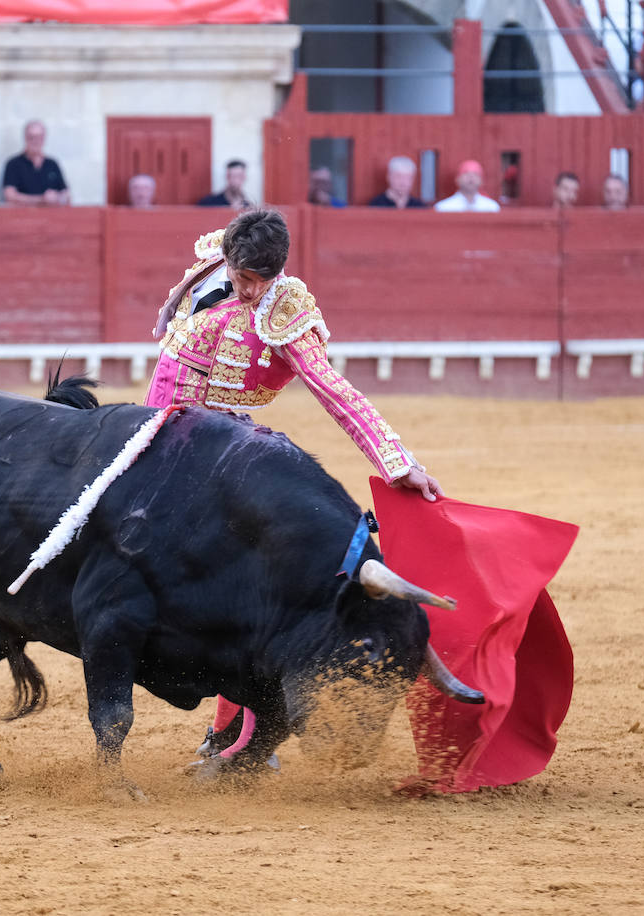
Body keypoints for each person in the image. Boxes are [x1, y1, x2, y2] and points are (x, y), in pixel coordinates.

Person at [146, 209, 442, 769]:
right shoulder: (216, 260)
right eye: (242, 279)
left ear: (278, 271)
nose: (250, 292)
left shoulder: (287, 315)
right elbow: (170, 326)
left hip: (227, 452)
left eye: (261, 281)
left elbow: (335, 392)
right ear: (229, 261)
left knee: (247, 592)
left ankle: (243, 739)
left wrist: (397, 462)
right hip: (160, 435)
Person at [2, 120, 70, 207]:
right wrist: (41, 199)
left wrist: (57, 198)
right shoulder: (13, 164)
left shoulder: (52, 164)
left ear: (44, 138)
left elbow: (66, 194)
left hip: (52, 217)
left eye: (39, 137)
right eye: (32, 137)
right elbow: (9, 196)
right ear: (25, 138)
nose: (35, 141)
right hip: (23, 217)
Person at [433, 160, 500, 212]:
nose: (471, 177)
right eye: (466, 173)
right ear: (457, 179)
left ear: (481, 181)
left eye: (475, 174)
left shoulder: (492, 207)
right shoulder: (442, 208)